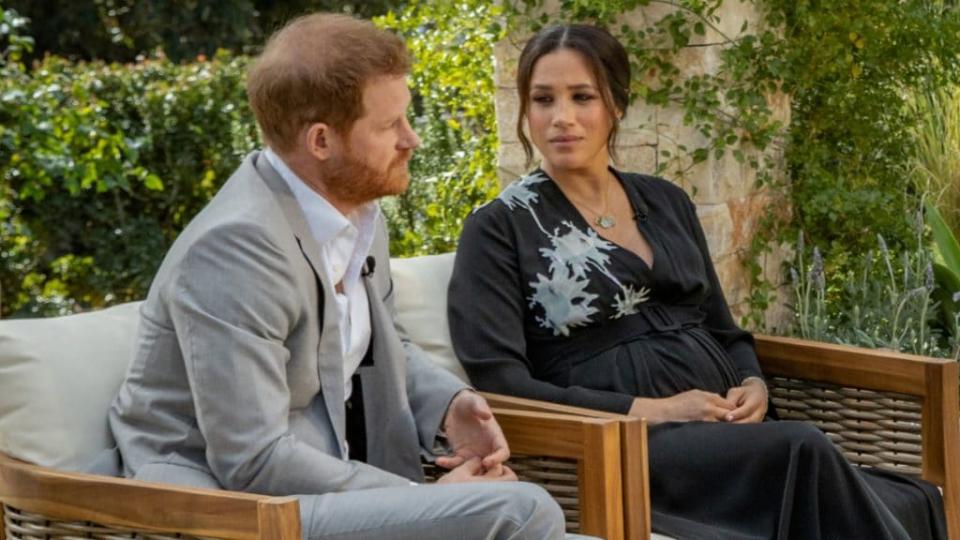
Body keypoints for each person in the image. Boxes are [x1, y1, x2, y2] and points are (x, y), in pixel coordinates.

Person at [448, 23, 947, 539]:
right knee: (802, 446)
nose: (562, 118)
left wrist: (752, 382)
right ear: (525, 112)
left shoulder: (665, 200)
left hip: (726, 427)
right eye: (543, 99)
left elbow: (723, 329)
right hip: (626, 446)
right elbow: (500, 383)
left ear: (616, 105)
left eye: (582, 97)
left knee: (857, 477)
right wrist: (655, 411)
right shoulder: (499, 227)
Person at [105, 13, 571, 540]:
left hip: (310, 486)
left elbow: (381, 338)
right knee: (521, 510)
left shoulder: (356, 215)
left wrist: (449, 405)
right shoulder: (237, 249)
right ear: (321, 140)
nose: (411, 139)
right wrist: (421, 500)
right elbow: (252, 458)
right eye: (388, 125)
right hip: (225, 508)